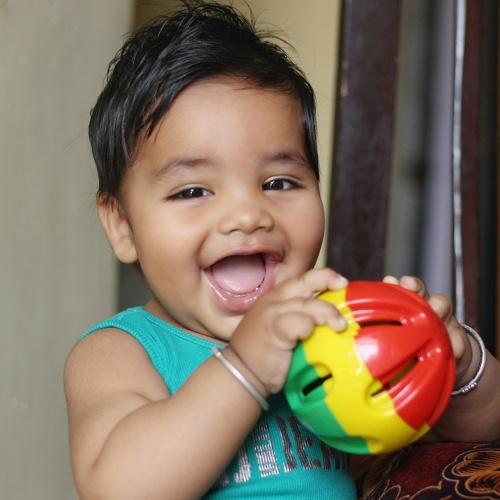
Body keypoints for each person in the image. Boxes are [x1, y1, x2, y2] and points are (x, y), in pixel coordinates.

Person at [64, 2, 500, 499]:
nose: (247, 215)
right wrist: (245, 368)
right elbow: (121, 489)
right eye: (193, 191)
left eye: (278, 182)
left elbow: (480, 431)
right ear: (122, 226)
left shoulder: (331, 333)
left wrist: (454, 363)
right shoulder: (119, 352)